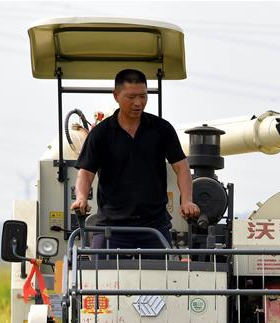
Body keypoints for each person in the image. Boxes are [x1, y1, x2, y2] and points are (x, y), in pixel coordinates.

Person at [70, 68, 200, 252]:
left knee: (160, 280)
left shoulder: (161, 129)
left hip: (154, 227)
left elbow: (181, 166)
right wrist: (81, 198)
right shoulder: (101, 133)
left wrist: (187, 200)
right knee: (100, 279)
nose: (138, 103)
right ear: (116, 95)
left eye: (143, 96)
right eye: (131, 97)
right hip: (111, 228)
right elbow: (86, 172)